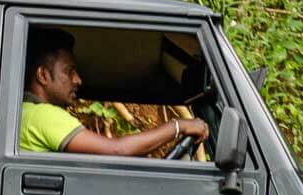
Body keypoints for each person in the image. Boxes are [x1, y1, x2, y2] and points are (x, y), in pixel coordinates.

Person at [21, 27, 209, 155]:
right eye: (69, 72)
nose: (78, 79)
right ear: (43, 75)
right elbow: (116, 150)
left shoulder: (25, 113)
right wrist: (178, 126)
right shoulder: (43, 116)